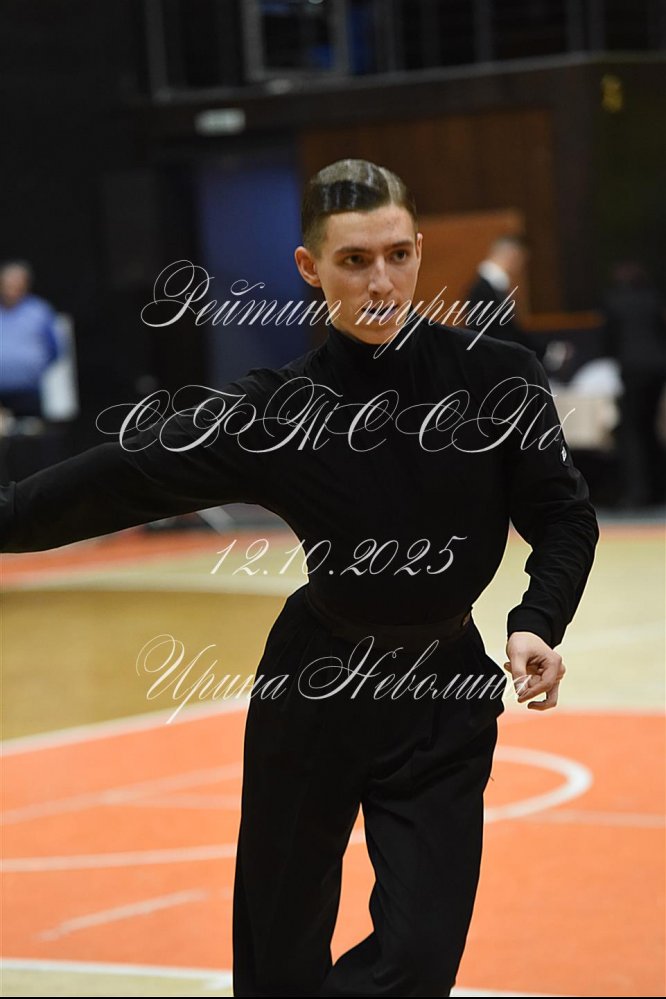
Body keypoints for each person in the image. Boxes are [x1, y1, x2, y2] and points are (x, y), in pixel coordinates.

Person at [0, 159, 599, 996]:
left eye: (397, 254)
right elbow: (124, 475)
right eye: (355, 261)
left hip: (443, 694)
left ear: (419, 250)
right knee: (277, 961)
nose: (382, 281)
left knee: (419, 959)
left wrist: (538, 617)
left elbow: (564, 515)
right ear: (310, 268)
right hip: (313, 690)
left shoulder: (497, 377)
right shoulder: (279, 410)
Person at [601, 260, 666, 507]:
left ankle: (637, 492)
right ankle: (658, 489)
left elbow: (609, 339)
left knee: (632, 431)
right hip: (658, 368)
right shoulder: (653, 298)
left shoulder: (613, 301)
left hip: (632, 369)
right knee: (650, 428)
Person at [0, 260, 61, 417]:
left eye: (16, 283)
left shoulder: (39, 311)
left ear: (25, 285)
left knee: (30, 429)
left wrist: (33, 369)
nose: (11, 288)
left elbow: (54, 349)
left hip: (28, 391)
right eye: (7, 283)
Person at [465, 235, 538, 355]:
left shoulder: (495, 286)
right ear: (512, 256)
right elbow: (491, 332)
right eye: (520, 260)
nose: (521, 266)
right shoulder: (482, 289)